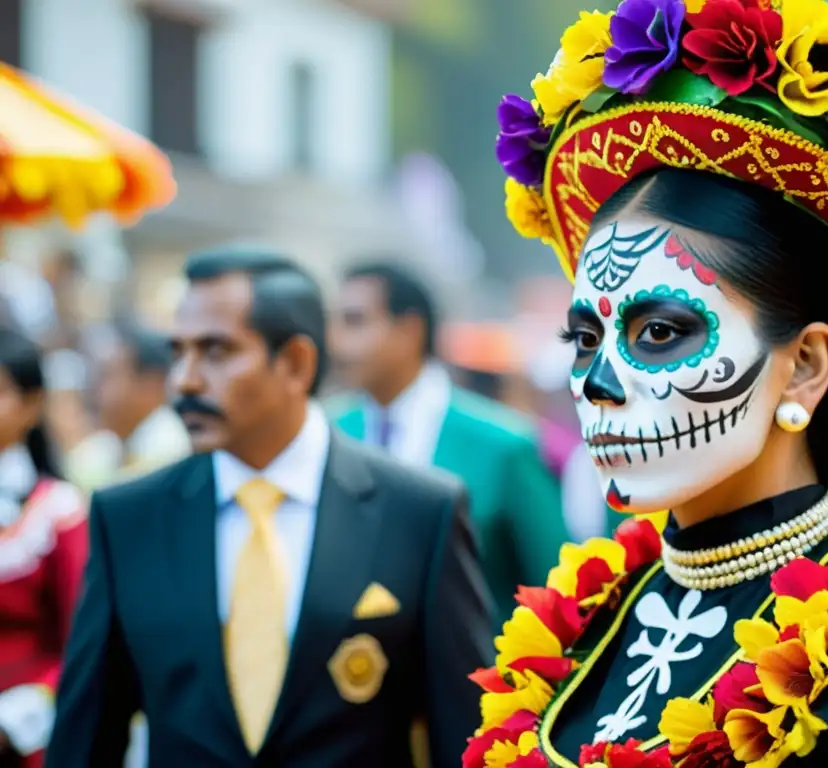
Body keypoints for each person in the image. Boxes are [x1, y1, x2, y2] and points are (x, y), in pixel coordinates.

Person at [465, 3, 828, 765]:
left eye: (660, 333)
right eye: (584, 339)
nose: (596, 383)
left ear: (807, 366)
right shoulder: (587, 625)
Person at [47, 247, 493, 767]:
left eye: (215, 351)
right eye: (178, 352)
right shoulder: (127, 518)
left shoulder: (419, 512)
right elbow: (84, 740)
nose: (184, 381)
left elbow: (466, 736)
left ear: (296, 363)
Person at [331, 262, 568, 624]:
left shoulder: (503, 444)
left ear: (409, 330)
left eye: (355, 321)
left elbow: (556, 588)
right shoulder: (329, 433)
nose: (336, 342)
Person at [0, 326, 88, 768]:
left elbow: (83, 642)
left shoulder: (57, 512)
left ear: (32, 405)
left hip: (26, 740)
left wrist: (13, 718)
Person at [64, 321, 190, 493]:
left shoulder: (173, 451)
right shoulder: (108, 447)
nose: (91, 388)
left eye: (105, 375)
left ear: (152, 384)